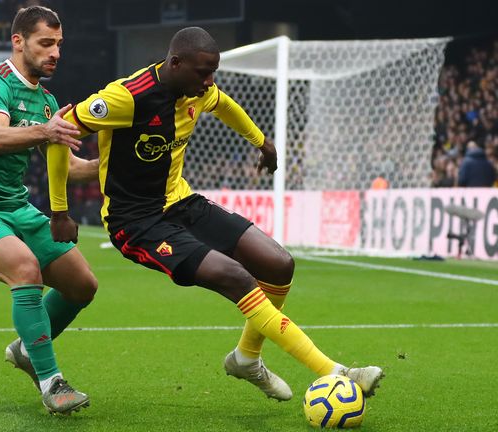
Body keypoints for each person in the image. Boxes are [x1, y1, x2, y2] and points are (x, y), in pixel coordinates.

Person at [47, 27, 384, 402]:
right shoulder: (126, 98)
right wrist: (60, 211)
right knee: (235, 276)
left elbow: (224, 104)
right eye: (202, 73)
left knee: (278, 263)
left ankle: (246, 358)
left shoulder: (199, 91)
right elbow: (59, 134)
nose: (209, 82)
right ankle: (336, 372)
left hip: (182, 203)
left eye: (213, 73)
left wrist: (261, 141)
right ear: (175, 63)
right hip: (137, 223)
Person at [0, 6, 98, 415]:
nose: (55, 53)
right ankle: (52, 383)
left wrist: (111, 169)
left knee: (83, 284)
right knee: (25, 268)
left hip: (17, 207)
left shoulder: (46, 102)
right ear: (19, 42)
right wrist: (46, 131)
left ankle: (28, 350)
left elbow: (69, 167)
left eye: (59, 45)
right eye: (46, 43)